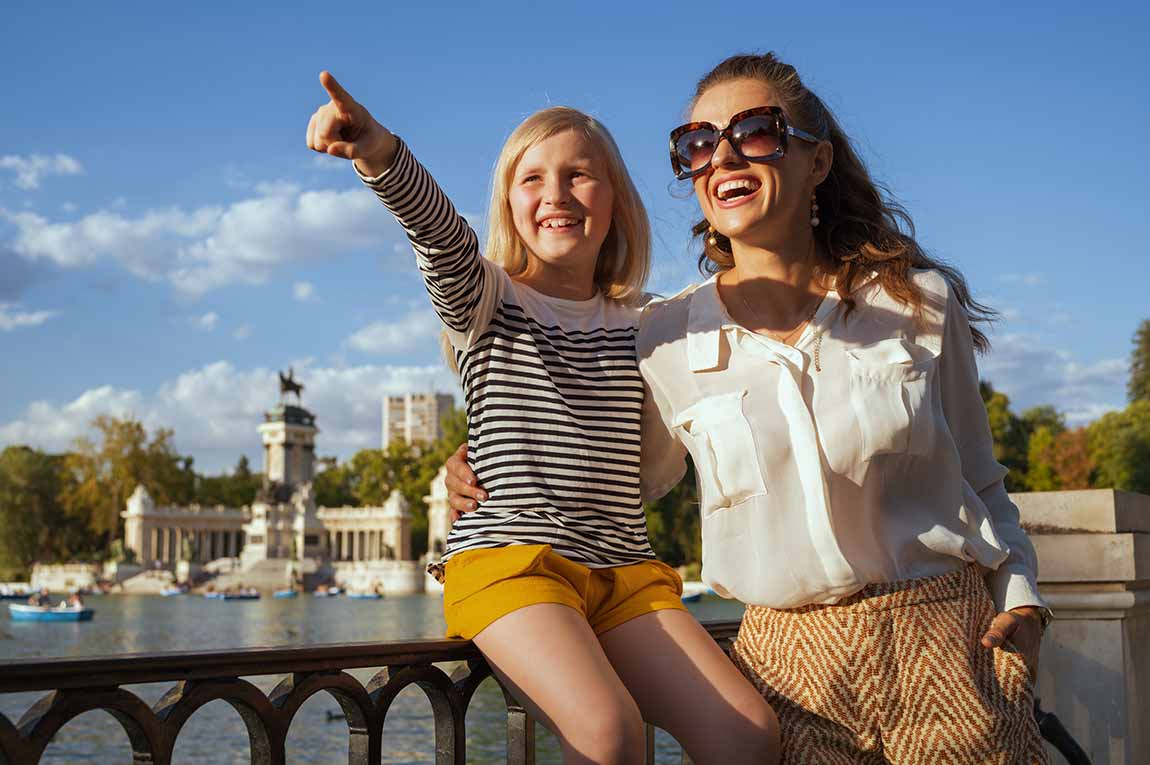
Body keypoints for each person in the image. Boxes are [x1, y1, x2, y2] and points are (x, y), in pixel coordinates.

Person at [445, 52, 1050, 764]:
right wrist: (475, 462)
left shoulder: (916, 301)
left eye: (756, 130)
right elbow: (612, 465)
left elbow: (980, 477)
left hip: (950, 652)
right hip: (786, 675)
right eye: (698, 142)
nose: (722, 153)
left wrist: (1025, 594)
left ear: (816, 161)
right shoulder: (664, 335)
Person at [306, 71, 778, 765]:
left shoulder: (652, 324)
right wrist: (379, 151)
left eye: (579, 175)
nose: (555, 194)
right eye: (532, 179)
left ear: (615, 200)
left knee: (748, 734)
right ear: (507, 203)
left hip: (624, 569)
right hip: (513, 562)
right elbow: (438, 236)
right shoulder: (487, 299)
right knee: (609, 730)